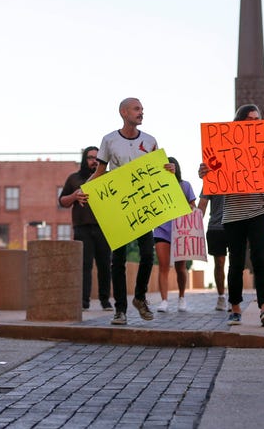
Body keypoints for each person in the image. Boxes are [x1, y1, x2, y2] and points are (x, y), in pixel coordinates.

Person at [198, 104, 264, 327]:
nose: (254, 122)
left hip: (259, 212)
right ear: (239, 123)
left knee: (260, 260)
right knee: (235, 262)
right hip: (233, 215)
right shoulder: (224, 148)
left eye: (257, 119)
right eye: (249, 119)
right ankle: (235, 308)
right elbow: (213, 179)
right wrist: (204, 172)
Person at [86, 97, 175, 326]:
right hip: (120, 206)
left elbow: (160, 170)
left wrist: (170, 169)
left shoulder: (151, 140)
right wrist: (84, 191)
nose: (141, 113)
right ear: (124, 112)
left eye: (142, 109)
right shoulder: (109, 140)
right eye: (137, 109)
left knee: (148, 254)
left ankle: (139, 297)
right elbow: (100, 172)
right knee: (119, 260)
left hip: (144, 206)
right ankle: (120, 310)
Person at [59, 146, 112, 311]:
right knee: (84, 265)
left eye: (97, 158)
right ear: (84, 159)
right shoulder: (74, 178)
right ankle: (83, 302)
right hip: (82, 228)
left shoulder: (109, 177)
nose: (94, 161)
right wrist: (74, 195)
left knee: (105, 265)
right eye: (90, 158)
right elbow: (62, 201)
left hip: (105, 228)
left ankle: (105, 301)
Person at [153, 157, 197, 313]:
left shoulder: (185, 186)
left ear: (176, 168)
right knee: (163, 266)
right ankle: (164, 300)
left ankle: (181, 297)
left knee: (180, 267)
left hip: (180, 230)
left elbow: (193, 206)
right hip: (161, 229)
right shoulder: (156, 186)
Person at [197, 192, 229, 311]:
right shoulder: (209, 176)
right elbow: (202, 205)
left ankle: (234, 299)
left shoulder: (238, 174)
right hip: (216, 227)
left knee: (237, 263)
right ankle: (221, 297)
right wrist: (193, 223)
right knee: (219, 263)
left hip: (236, 225)